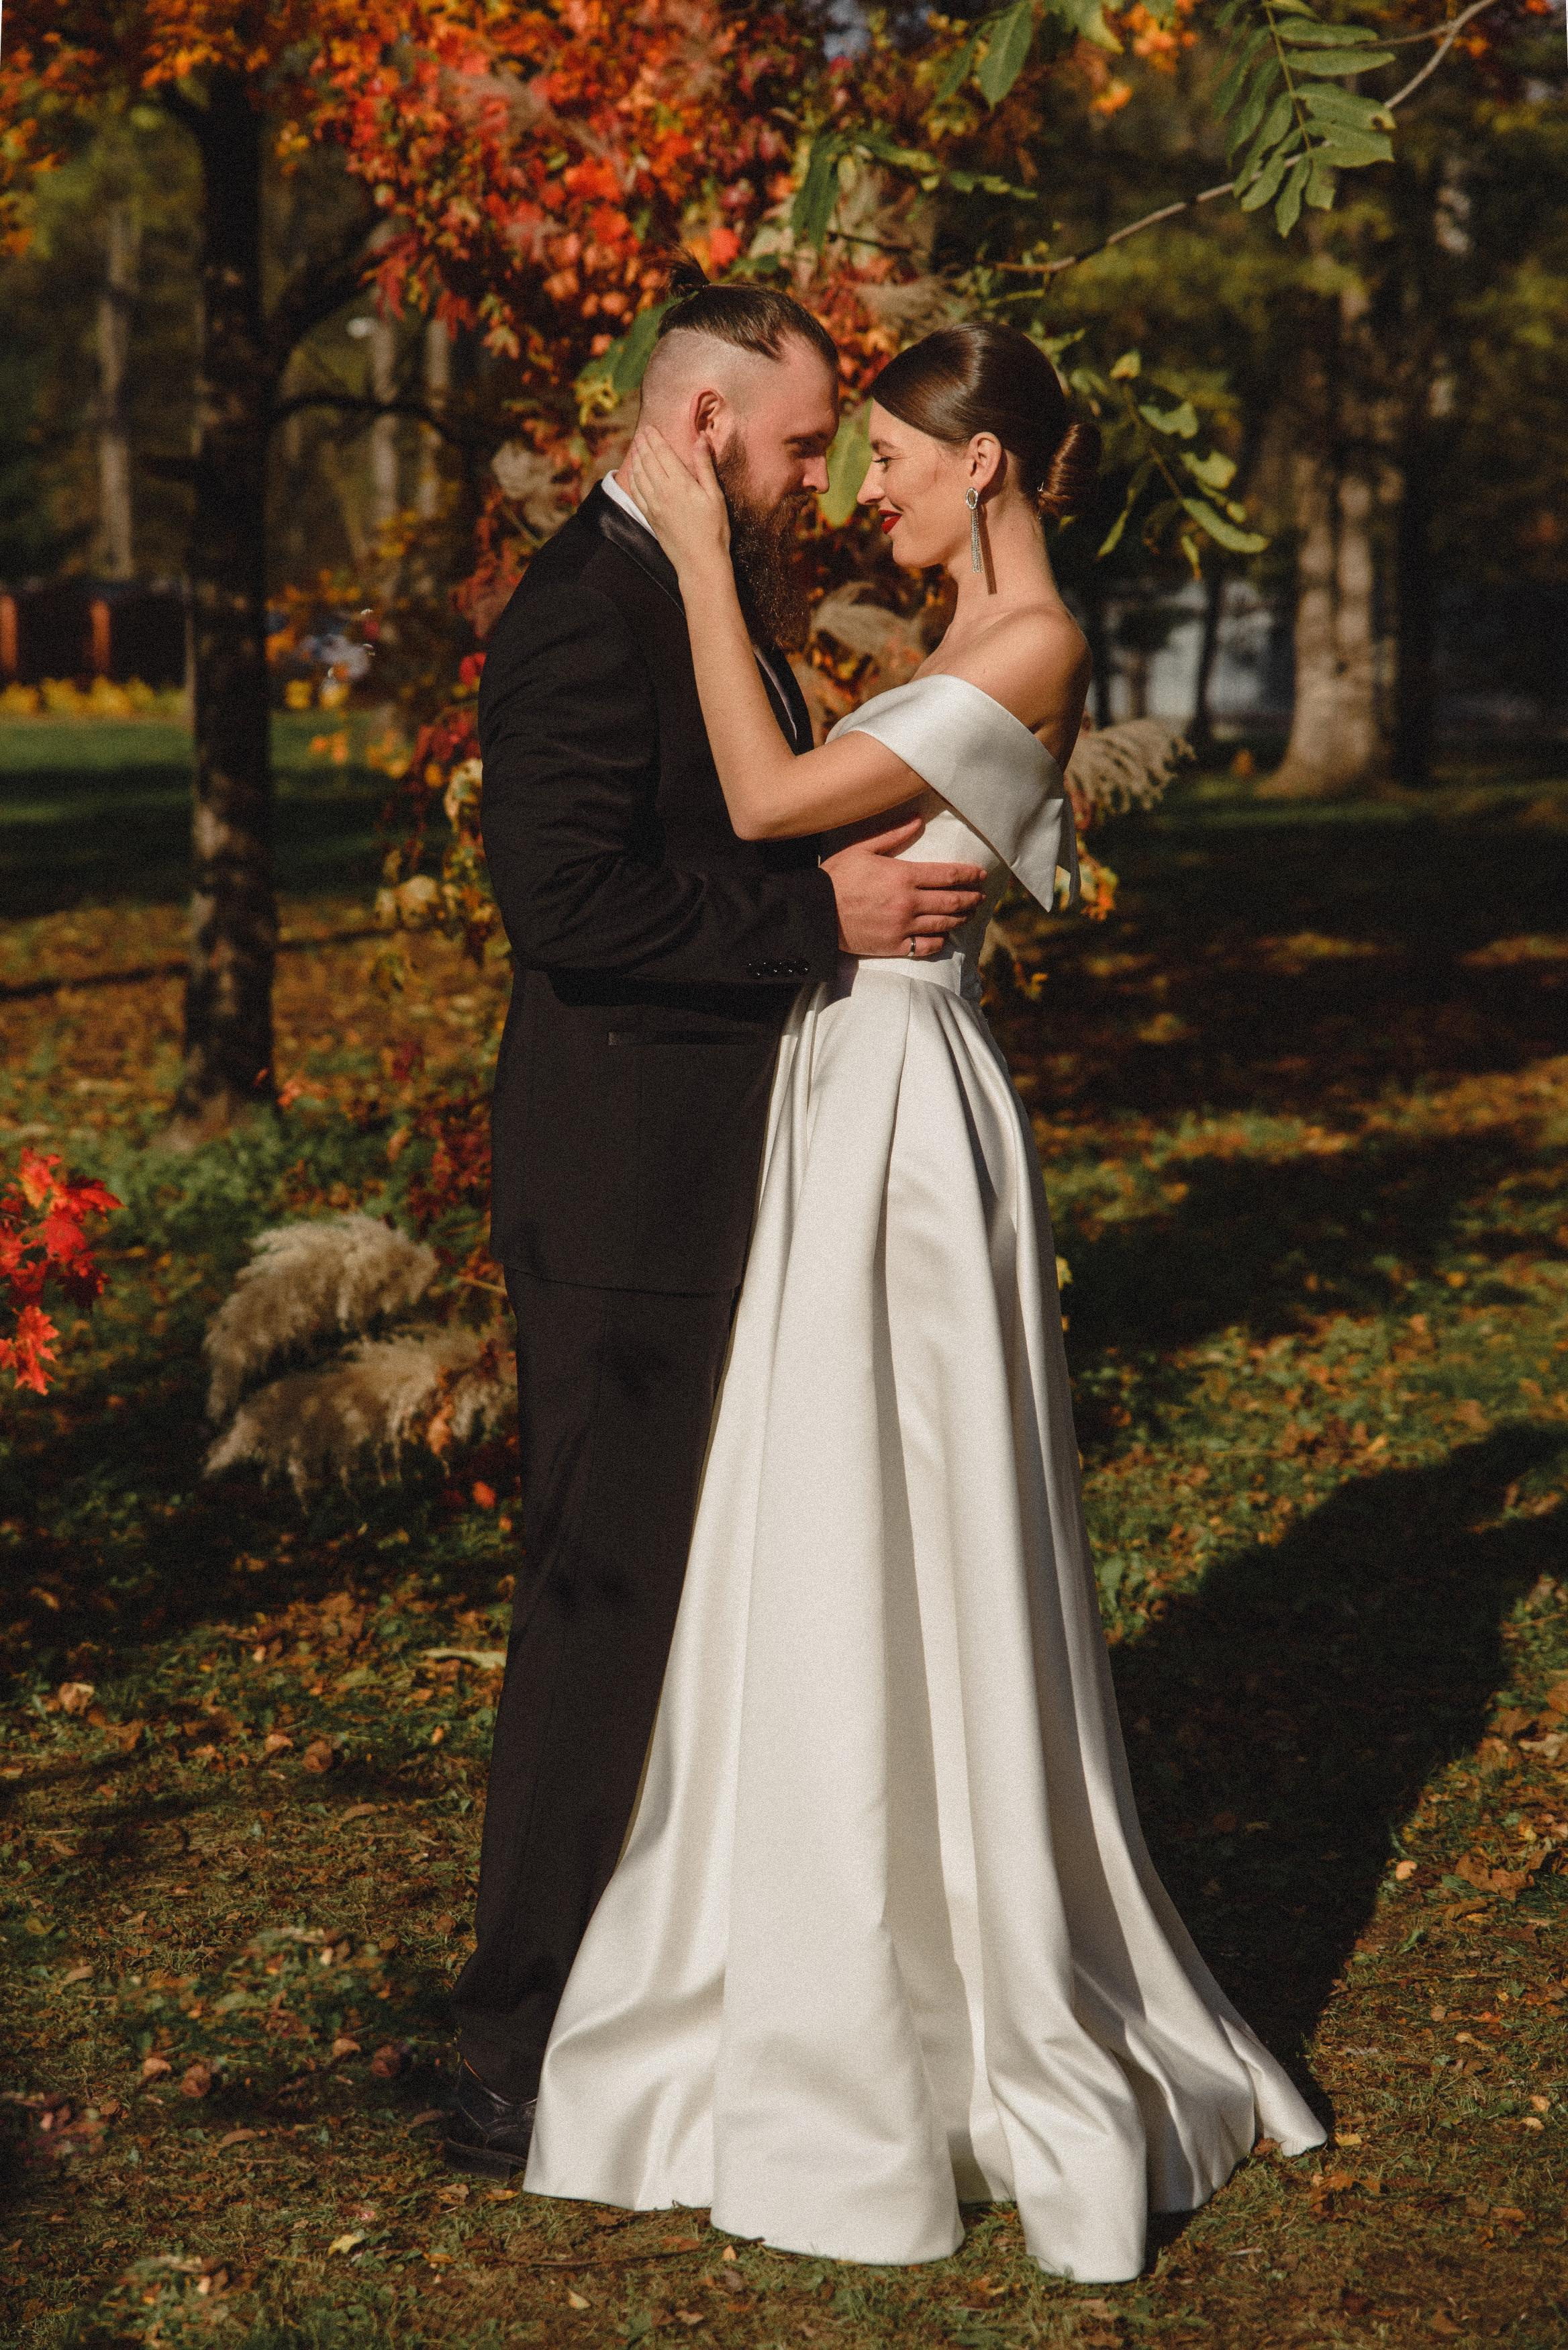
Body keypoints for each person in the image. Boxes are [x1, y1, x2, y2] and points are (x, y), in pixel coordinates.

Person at [519, 318, 1326, 2282]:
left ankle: (950, 1992)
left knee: (909, 1504)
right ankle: (802, 1912)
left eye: (890, 456)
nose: (865, 489)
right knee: (815, 1521)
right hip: (838, 1086)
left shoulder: (1026, 645)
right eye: (847, 452)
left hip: (898, 1109)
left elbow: (771, 798)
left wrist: (708, 562)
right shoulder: (952, 644)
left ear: (988, 466)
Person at [443, 271, 989, 2179]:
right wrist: (810, 926)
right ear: (699, 427)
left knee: (694, 1611)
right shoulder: (581, 618)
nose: (818, 476)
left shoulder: (697, 599)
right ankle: (509, 2046)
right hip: (626, 1197)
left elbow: (719, 827)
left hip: (724, 1178)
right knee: (600, 1616)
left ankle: (658, 2002)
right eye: (795, 439)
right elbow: (572, 910)